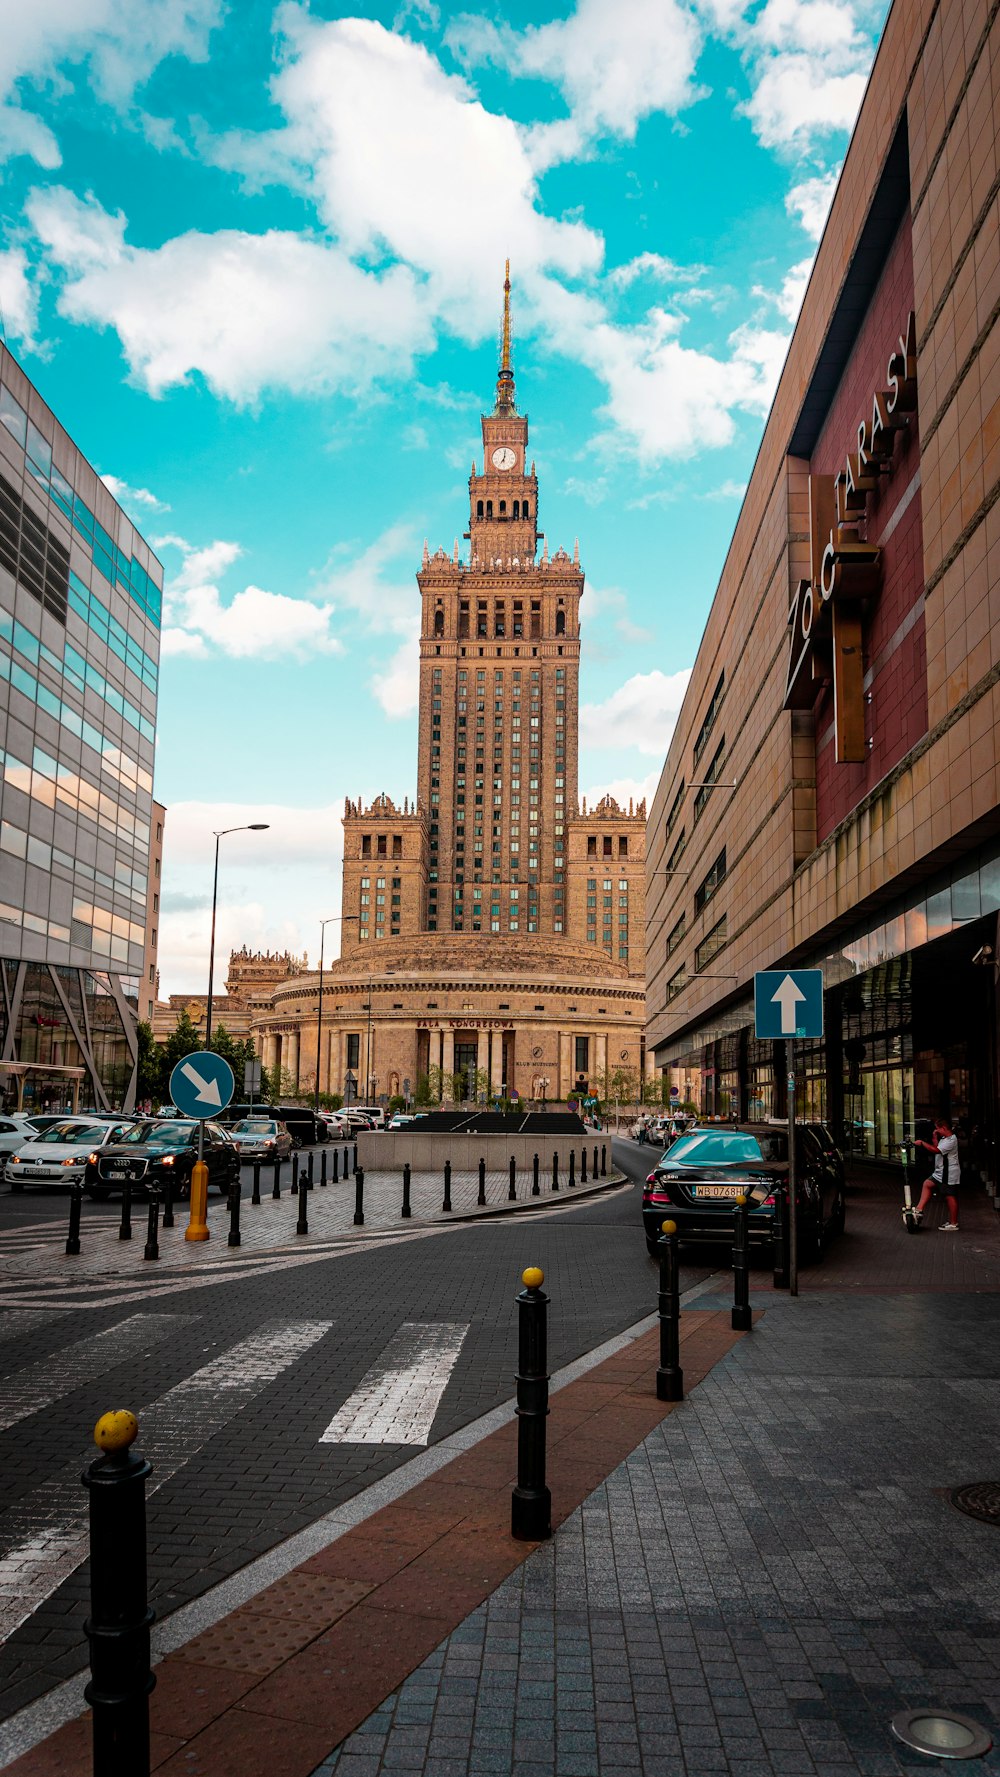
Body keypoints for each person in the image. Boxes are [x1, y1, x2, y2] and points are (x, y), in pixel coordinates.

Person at [914, 1115, 960, 1230]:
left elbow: (936, 1150)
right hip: (940, 1172)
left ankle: (953, 1223)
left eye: (937, 1129)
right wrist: (934, 1138)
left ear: (943, 1128)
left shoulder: (951, 1140)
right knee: (927, 1184)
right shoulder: (945, 1138)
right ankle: (919, 1209)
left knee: (950, 1196)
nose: (936, 1130)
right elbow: (937, 1148)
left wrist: (922, 1143)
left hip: (948, 1173)